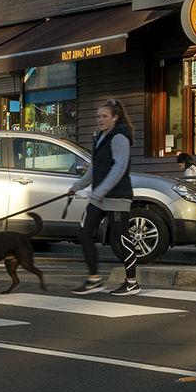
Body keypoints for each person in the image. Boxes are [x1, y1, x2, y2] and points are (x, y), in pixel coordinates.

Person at [68, 99, 141, 297]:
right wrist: (77, 186)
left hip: (117, 196)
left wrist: (99, 191)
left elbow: (119, 168)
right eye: (98, 116)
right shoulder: (100, 136)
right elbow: (95, 167)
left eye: (104, 116)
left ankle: (132, 282)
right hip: (99, 196)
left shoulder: (119, 137)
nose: (100, 119)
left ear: (115, 117)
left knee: (120, 238)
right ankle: (94, 279)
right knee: (84, 233)